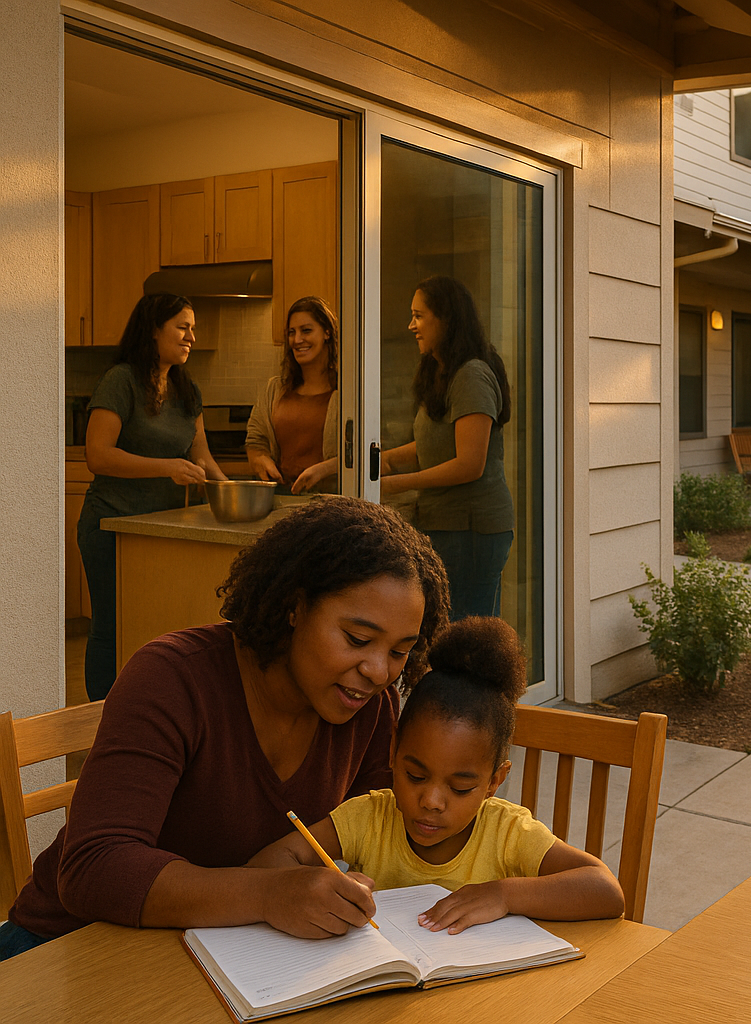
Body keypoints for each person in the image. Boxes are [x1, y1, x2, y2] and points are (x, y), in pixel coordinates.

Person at [0, 499, 450, 962]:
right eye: (357, 639)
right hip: (66, 952)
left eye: (400, 651)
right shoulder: (173, 679)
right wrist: (270, 894)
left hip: (221, 958)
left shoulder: (369, 705)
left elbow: (379, 833)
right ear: (295, 606)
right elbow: (95, 867)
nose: (378, 670)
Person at [249, 616, 625, 930]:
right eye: (415, 776)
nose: (430, 802)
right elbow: (267, 863)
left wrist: (504, 894)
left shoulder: (508, 833)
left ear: (496, 780)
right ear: (393, 751)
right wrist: (319, 886)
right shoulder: (368, 818)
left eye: (461, 787)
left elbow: (605, 890)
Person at [78, 293, 228, 701]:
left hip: (160, 531)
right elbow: (98, 455)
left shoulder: (187, 389)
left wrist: (231, 490)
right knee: (111, 626)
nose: (191, 337)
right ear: (154, 330)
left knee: (156, 626)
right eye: (183, 326)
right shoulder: (120, 380)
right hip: (111, 524)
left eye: (193, 328)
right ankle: (100, 720)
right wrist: (167, 466)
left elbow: (201, 454)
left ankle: (147, 713)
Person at [380, 277, 516, 620]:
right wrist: (381, 464)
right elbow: (431, 445)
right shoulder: (440, 371)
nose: (411, 325)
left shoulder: (471, 375)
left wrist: (397, 483)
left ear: (447, 319)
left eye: (419, 316)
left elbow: (469, 463)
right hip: (446, 526)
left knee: (467, 636)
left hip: (472, 531)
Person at [245, 296, 341, 495]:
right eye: (292, 332)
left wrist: (324, 470)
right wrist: (260, 459)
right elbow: (256, 440)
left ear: (327, 333)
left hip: (332, 503)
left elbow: (361, 453)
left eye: (306, 330)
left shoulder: (347, 393)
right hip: (281, 500)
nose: (297, 340)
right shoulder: (275, 389)